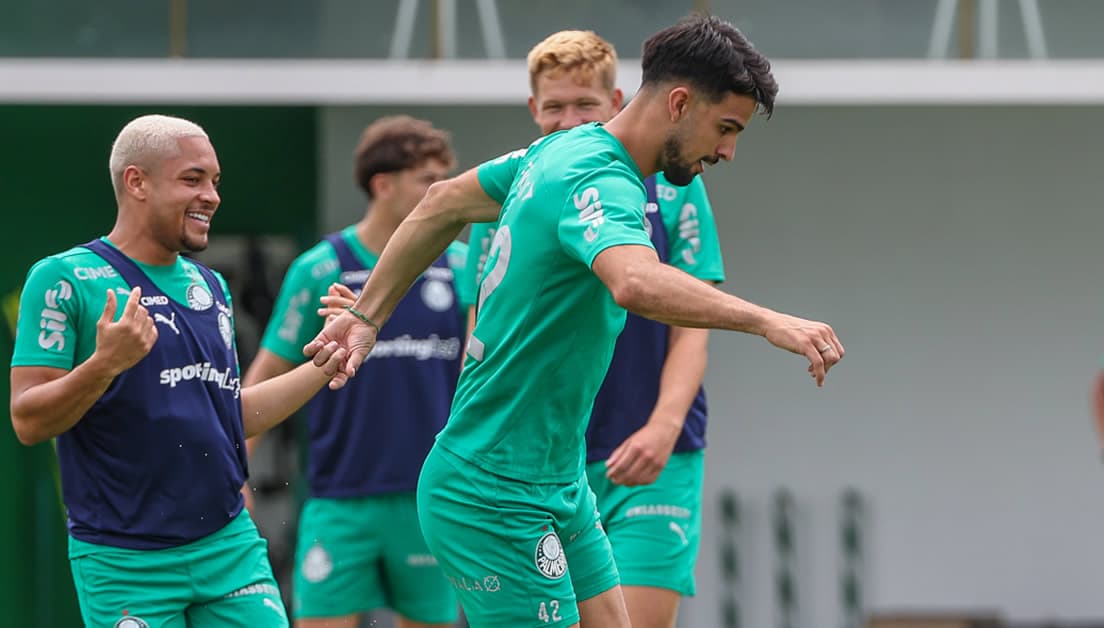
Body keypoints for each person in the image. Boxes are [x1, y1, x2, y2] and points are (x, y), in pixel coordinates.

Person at [306, 15, 845, 628]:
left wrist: (366, 313)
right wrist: (767, 321)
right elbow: (634, 281)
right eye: (726, 128)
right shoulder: (598, 175)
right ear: (678, 103)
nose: (728, 152)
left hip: (556, 478)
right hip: (493, 487)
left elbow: (441, 202)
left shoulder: (554, 151)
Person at [9, 114, 347, 628]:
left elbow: (229, 416)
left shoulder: (211, 287)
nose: (211, 196)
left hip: (228, 546)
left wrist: (328, 359)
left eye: (215, 181)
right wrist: (104, 364)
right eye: (193, 179)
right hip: (124, 561)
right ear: (136, 182)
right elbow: (28, 420)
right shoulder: (63, 279)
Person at [454, 29, 726, 628]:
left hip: (648, 453)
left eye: (585, 104)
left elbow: (692, 329)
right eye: (554, 107)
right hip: (537, 460)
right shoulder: (517, 188)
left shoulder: (675, 187)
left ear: (617, 102)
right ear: (533, 108)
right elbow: (483, 336)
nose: (569, 119)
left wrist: (663, 427)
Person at [244, 115, 466, 628]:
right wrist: (234, 468)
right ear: (383, 185)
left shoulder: (459, 266)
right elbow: (267, 371)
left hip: (428, 499)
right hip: (339, 500)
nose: (441, 192)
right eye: (427, 180)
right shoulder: (320, 268)